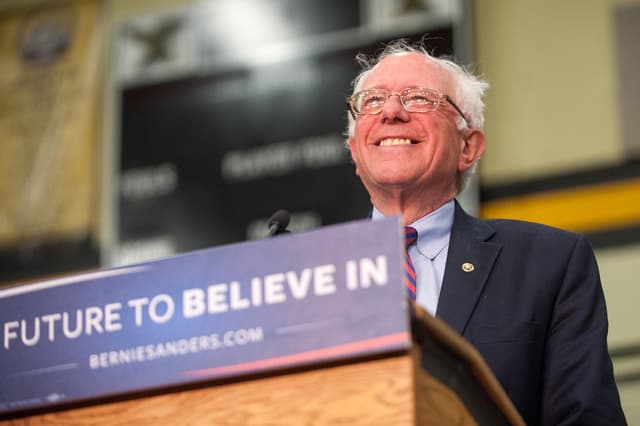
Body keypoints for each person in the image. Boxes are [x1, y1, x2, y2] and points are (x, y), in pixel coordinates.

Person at [345, 39, 626, 425]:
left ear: (468, 147)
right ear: (355, 150)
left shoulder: (549, 263)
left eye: (420, 98)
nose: (391, 111)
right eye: (373, 101)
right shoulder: (300, 279)